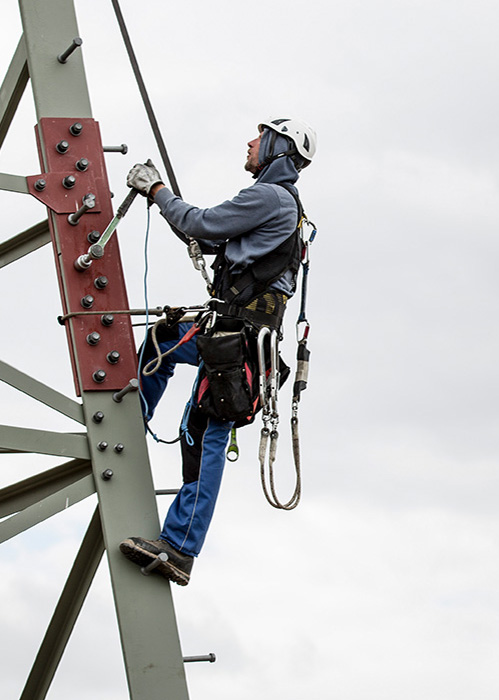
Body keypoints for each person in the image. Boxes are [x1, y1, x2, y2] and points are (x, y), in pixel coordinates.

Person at [118, 117, 317, 586]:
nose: (249, 142)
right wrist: (167, 202)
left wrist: (158, 190)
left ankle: (181, 548)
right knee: (162, 343)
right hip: (230, 334)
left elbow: (201, 223)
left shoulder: (269, 197)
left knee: (205, 431)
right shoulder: (276, 203)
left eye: (259, 137)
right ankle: (130, 419)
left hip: (239, 341)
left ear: (275, 148)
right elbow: (206, 238)